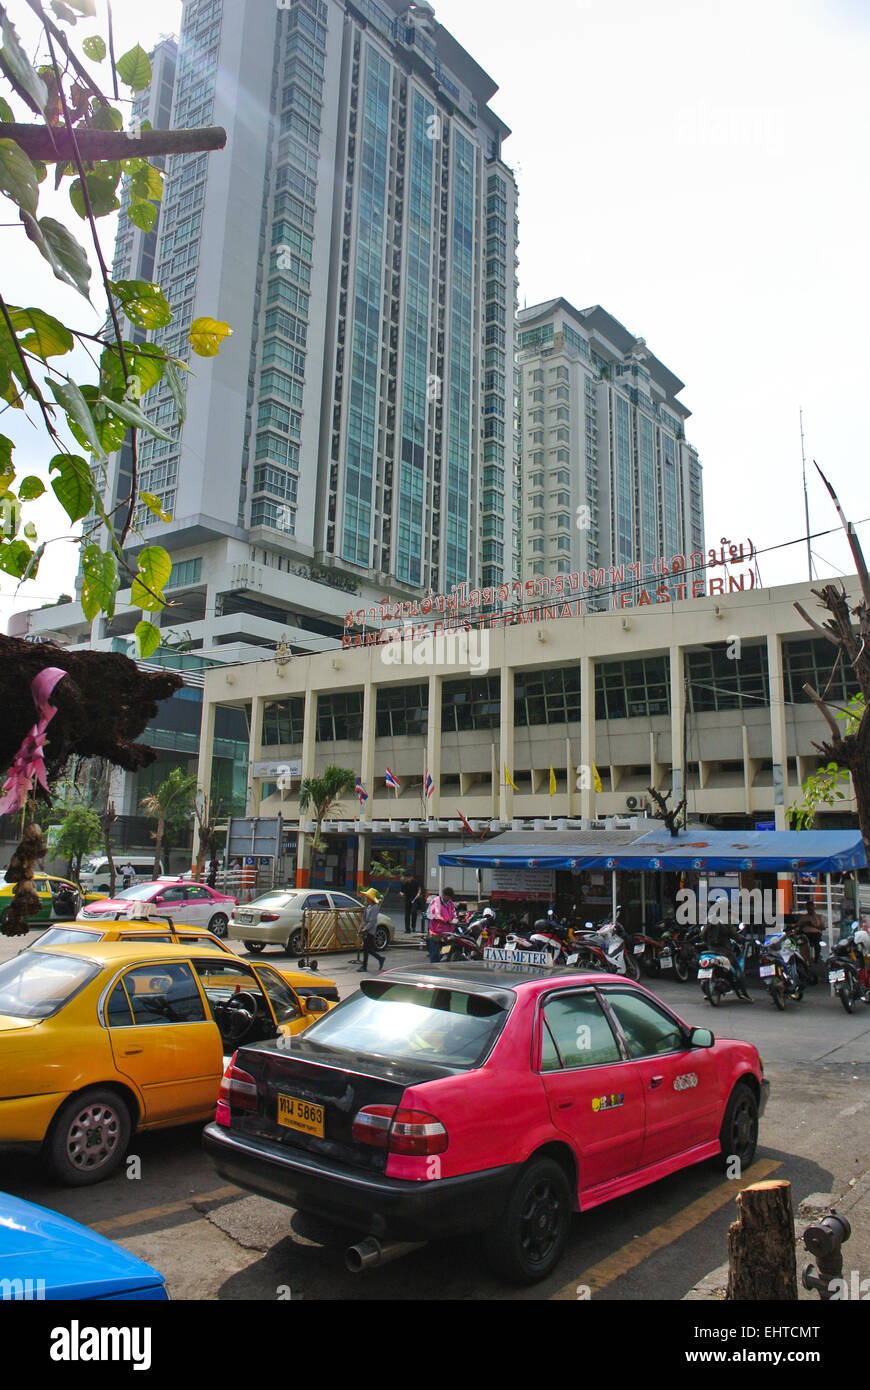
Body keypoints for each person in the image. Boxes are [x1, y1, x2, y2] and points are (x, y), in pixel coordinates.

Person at [701, 916, 752, 1000]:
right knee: (737, 968)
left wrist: (708, 943)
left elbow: (702, 935)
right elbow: (734, 935)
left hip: (711, 950)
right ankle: (744, 993)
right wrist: (741, 939)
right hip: (725, 951)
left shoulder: (709, 920)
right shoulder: (725, 921)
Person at [357, 888, 387, 972]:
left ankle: (365, 966)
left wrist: (365, 929)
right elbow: (364, 919)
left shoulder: (375, 907)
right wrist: (361, 928)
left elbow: (372, 921)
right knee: (367, 949)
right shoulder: (368, 907)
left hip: (370, 931)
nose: (366, 898)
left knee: (366, 948)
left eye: (367, 897)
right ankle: (380, 959)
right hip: (366, 929)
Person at [427, 886, 457, 963]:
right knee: (435, 951)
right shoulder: (436, 901)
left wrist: (455, 919)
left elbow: (453, 913)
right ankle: (434, 965)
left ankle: (440, 961)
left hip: (447, 932)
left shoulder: (450, 903)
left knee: (445, 950)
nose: (448, 899)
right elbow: (435, 915)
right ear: (444, 895)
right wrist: (447, 920)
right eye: (447, 897)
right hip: (436, 932)